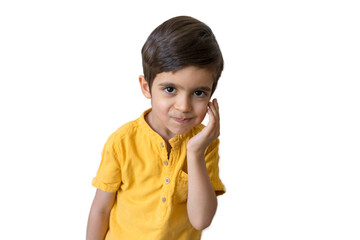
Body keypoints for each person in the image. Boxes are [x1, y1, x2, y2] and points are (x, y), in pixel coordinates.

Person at [86, 16, 226, 240]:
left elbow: (201, 219)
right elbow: (100, 210)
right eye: (170, 89)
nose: (183, 106)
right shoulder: (122, 141)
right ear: (146, 87)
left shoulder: (205, 144)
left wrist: (195, 152)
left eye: (199, 93)